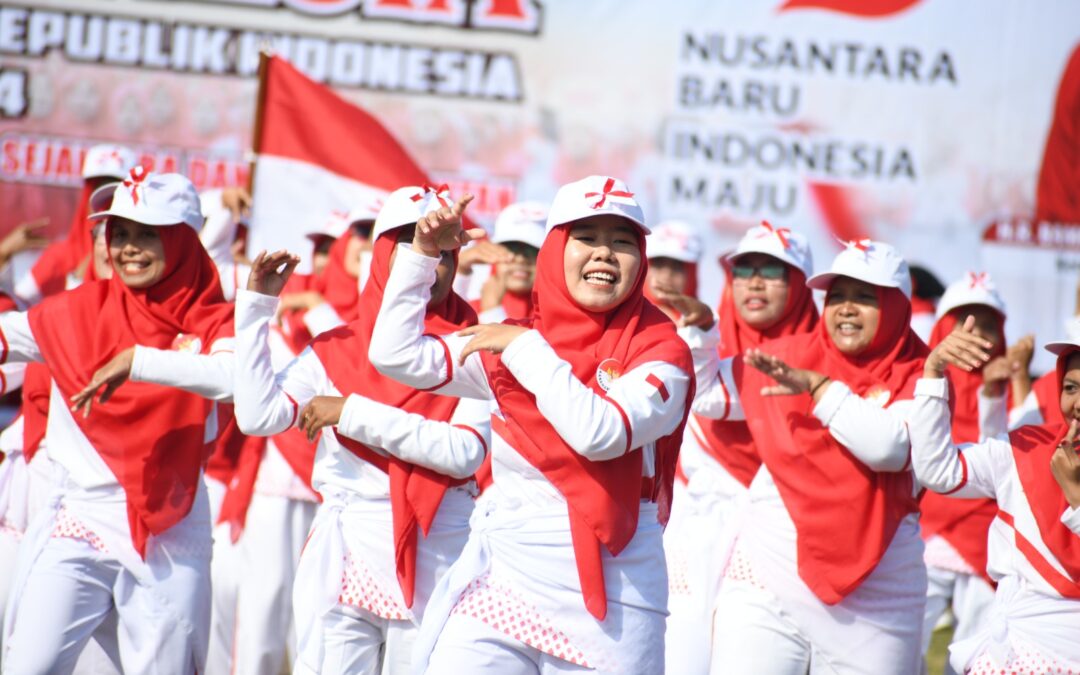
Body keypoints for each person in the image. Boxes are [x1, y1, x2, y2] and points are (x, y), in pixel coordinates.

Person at [369, 175, 694, 673]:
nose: (605, 254)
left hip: (617, 589)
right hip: (506, 573)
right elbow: (394, 355)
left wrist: (523, 349)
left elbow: (600, 435)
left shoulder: (662, 351)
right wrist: (422, 256)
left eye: (622, 241)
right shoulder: (514, 339)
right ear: (555, 249)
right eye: (587, 238)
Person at [232, 185, 490, 675]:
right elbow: (258, 416)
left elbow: (464, 453)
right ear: (381, 257)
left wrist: (350, 413)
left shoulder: (476, 346)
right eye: (412, 248)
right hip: (345, 555)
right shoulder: (336, 345)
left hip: (436, 554)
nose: (428, 264)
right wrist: (255, 310)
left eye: (440, 252)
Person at [0, 170, 235, 674]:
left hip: (170, 530)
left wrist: (141, 361)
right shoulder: (74, 312)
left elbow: (238, 381)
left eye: (147, 233)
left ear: (184, 240)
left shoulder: (216, 321)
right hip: (79, 519)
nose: (128, 248)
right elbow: (6, 336)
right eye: (120, 234)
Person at [705, 240, 929, 673]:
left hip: (877, 593)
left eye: (865, 298)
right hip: (768, 575)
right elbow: (707, 396)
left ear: (898, 308)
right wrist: (699, 337)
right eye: (837, 297)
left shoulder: (923, 373)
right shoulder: (789, 356)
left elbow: (889, 449)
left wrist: (821, 389)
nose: (846, 308)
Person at [662, 220, 817, 674]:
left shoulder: (822, 358)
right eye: (744, 269)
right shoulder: (699, 338)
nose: (753, 282)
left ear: (801, 285)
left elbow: (711, 396)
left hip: (781, 537)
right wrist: (702, 334)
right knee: (681, 657)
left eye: (772, 271)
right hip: (695, 529)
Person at [910, 322, 1080, 673]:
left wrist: (1075, 496)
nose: (1078, 403)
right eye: (1071, 387)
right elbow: (938, 470)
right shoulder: (1026, 447)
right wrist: (933, 373)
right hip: (1013, 650)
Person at [918, 272, 1016, 671]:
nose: (976, 332)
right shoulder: (922, 377)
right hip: (926, 529)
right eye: (964, 321)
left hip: (984, 540)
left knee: (976, 649)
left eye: (987, 322)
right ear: (943, 327)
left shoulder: (1017, 383)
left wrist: (997, 392)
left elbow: (999, 458)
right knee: (905, 635)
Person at [476, 201, 547, 324]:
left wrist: (492, 311)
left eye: (533, 251)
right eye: (511, 248)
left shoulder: (559, 319)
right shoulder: (467, 311)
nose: (520, 259)